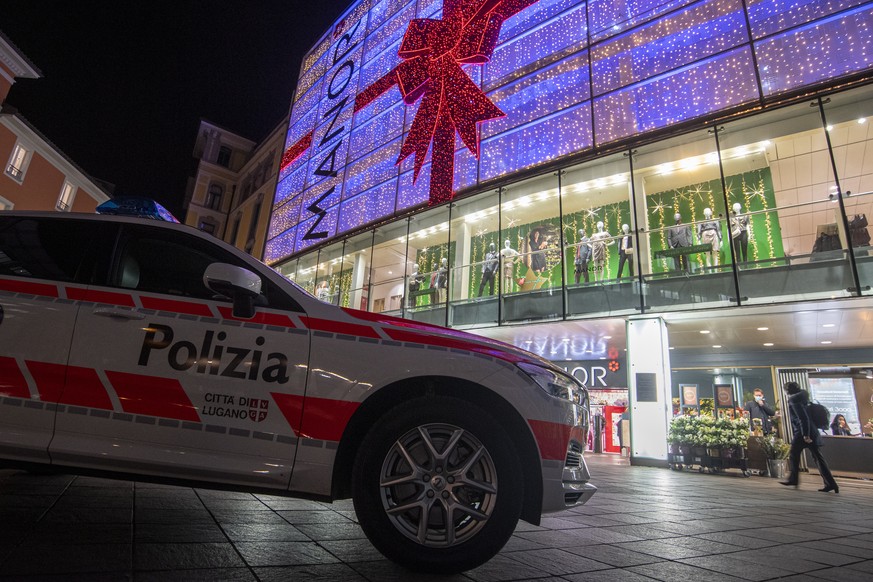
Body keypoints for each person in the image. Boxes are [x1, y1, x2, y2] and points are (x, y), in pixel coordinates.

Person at [780, 381, 839, 493]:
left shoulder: (794, 400)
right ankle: (831, 484)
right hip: (812, 430)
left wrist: (805, 435)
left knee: (794, 453)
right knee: (818, 458)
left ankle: (793, 479)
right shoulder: (804, 396)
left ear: (788, 390)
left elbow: (803, 418)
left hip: (803, 432)